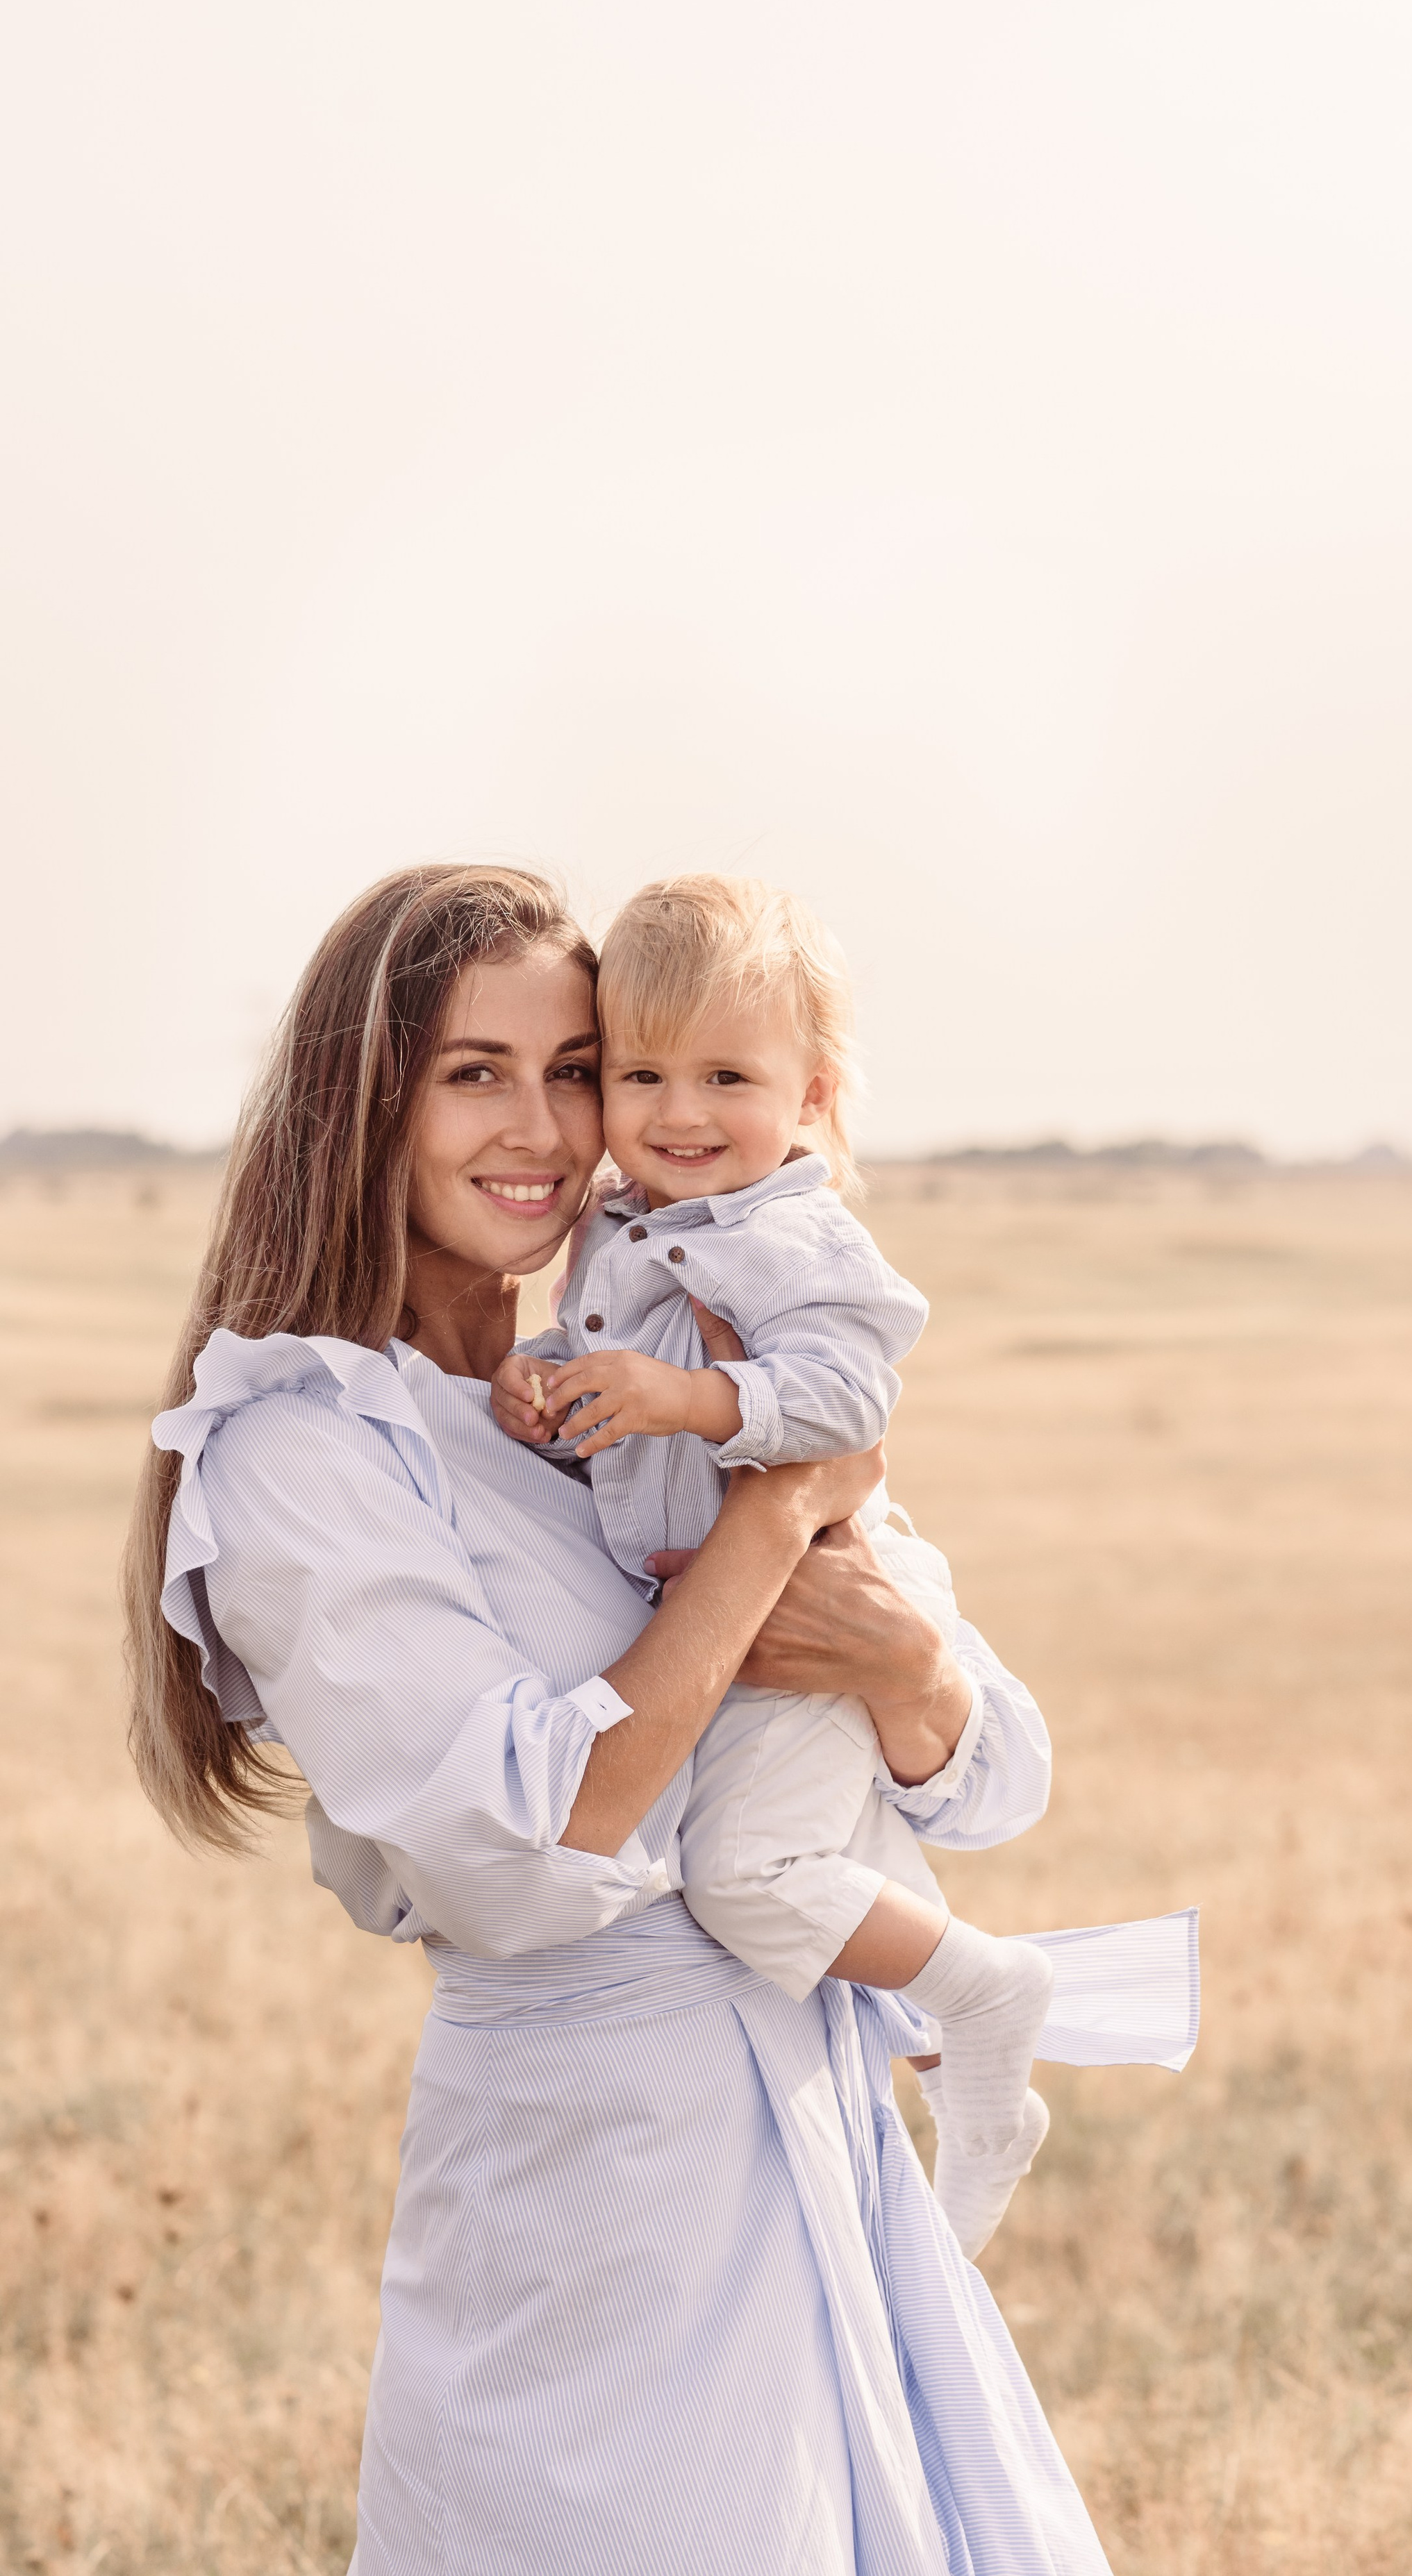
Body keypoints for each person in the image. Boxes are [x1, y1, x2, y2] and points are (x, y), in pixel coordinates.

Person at [122, 862, 1195, 2576]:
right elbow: (537, 1838)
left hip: (817, 2127)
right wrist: (778, 1514)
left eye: (573, 1066)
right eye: (475, 1071)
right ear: (365, 1095)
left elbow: (990, 1776)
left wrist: (906, 1669)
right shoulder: (307, 1445)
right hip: (596, 2175)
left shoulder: (629, 1368)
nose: (543, 1125)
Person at [488, 873, 1049, 2257]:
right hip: (745, 1598)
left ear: (811, 1094)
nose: (679, 1114)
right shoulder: (620, 1231)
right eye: (641, 1074)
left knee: (747, 1871)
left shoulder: (792, 1232)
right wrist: (542, 1381)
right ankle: (964, 2099)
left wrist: (688, 1408)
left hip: (821, 1583)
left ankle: (986, 1999)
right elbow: (624, 1376)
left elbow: (848, 1394)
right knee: (833, 1858)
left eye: (726, 1075)